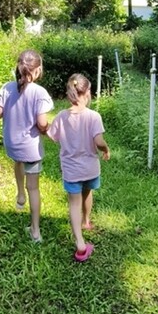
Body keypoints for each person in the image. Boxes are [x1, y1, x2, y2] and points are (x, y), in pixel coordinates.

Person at [46, 73, 110, 262]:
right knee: (88, 192)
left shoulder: (61, 116)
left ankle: (80, 244)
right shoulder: (94, 116)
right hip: (90, 168)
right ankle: (86, 221)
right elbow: (98, 140)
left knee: (73, 203)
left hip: (71, 170)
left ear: (69, 94)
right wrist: (106, 149)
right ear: (88, 92)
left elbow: (52, 136)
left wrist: (42, 127)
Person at [0, 49, 53, 243]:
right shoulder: (39, 92)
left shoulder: (7, 87)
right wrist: (46, 129)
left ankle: (20, 194)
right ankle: (35, 231)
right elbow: (42, 123)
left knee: (17, 161)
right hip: (31, 148)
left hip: (12, 144)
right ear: (37, 70)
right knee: (33, 188)